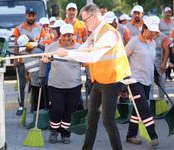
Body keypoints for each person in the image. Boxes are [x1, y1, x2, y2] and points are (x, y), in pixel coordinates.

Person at [54, 4, 131, 149]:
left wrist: (68, 53)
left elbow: (93, 57)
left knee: (108, 121)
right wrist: (53, 55)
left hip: (113, 80)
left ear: (94, 16)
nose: (84, 23)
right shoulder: (95, 33)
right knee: (91, 119)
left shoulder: (109, 33)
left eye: (85, 20)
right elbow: (81, 49)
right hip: (99, 80)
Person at [40, 24, 82, 144]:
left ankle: (65, 133)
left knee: (70, 111)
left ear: (73, 35)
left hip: (74, 85)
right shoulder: (52, 47)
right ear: (60, 36)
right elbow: (43, 61)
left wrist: (89, 78)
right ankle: (54, 131)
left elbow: (87, 62)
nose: (67, 38)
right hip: (55, 85)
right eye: (65, 35)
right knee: (57, 109)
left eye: (69, 35)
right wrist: (42, 75)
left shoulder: (79, 48)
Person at [125, 16, 160, 146]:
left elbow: (150, 61)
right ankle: (153, 136)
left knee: (137, 109)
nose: (153, 34)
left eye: (155, 32)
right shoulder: (134, 41)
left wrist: (155, 74)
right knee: (145, 108)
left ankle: (130, 135)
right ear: (144, 28)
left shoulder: (153, 42)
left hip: (147, 80)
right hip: (134, 80)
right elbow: (123, 57)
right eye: (151, 31)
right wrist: (124, 76)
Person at [12, 7, 42, 115]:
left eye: (32, 15)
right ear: (26, 16)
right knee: (22, 82)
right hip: (22, 59)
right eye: (29, 15)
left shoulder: (40, 28)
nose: (31, 17)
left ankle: (34, 105)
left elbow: (42, 43)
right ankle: (21, 106)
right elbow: (16, 45)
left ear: (35, 16)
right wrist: (15, 60)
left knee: (34, 82)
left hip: (35, 59)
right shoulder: (19, 28)